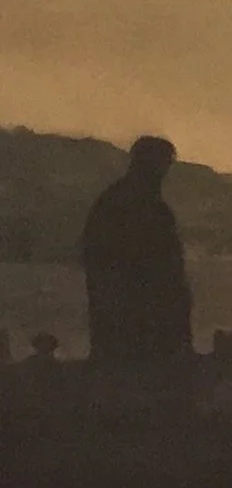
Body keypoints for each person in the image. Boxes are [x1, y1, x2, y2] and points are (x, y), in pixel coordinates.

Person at [82, 136, 193, 363]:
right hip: (135, 326)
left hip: (129, 326)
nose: (164, 173)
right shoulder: (132, 206)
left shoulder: (115, 202)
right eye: (163, 164)